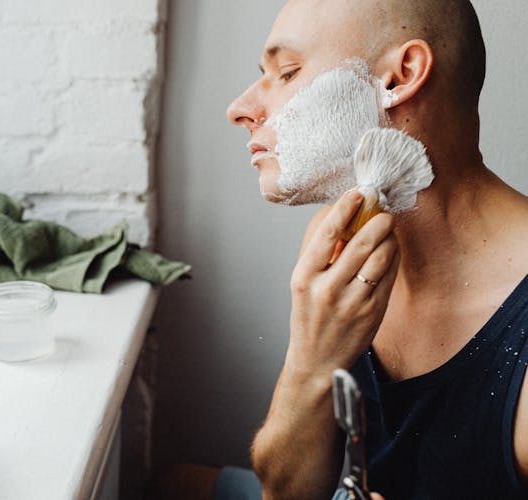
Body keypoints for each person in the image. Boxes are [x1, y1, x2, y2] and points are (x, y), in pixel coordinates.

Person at [220, 0, 528, 499]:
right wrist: (311, 362)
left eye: (288, 71)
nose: (240, 110)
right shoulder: (341, 244)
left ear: (399, 77)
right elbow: (284, 490)